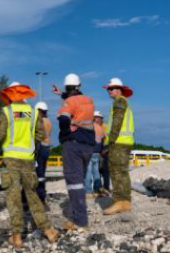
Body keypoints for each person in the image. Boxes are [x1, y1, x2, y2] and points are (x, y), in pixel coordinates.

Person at [0, 82, 59, 248]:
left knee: (13, 198)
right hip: (28, 161)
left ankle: (17, 237)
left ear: (11, 94)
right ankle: (48, 231)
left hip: (10, 160)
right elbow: (40, 135)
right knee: (33, 195)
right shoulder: (32, 112)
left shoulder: (6, 112)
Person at [53, 73, 95, 231]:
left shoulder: (69, 101)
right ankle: (78, 215)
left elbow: (64, 119)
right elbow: (77, 100)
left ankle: (80, 221)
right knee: (80, 181)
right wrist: (61, 95)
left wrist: (64, 135)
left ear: (67, 87)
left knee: (74, 183)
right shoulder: (89, 100)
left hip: (74, 144)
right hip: (88, 145)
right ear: (79, 86)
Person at [101, 78, 135, 215]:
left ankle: (120, 201)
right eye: (108, 89)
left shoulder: (119, 101)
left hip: (119, 143)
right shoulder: (123, 102)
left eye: (111, 89)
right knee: (122, 172)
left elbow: (117, 123)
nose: (108, 91)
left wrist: (110, 143)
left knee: (116, 173)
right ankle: (125, 202)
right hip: (123, 142)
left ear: (118, 90)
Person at [84, 111, 105, 198]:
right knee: (96, 172)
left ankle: (88, 192)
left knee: (88, 172)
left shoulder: (90, 127)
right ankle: (97, 190)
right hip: (97, 152)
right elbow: (103, 139)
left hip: (89, 152)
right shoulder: (100, 128)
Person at [34, 101, 51, 203]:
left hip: (40, 148)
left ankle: (40, 196)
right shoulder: (48, 121)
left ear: (40, 111)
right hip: (47, 148)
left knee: (39, 173)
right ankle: (41, 194)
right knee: (42, 173)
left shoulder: (40, 121)